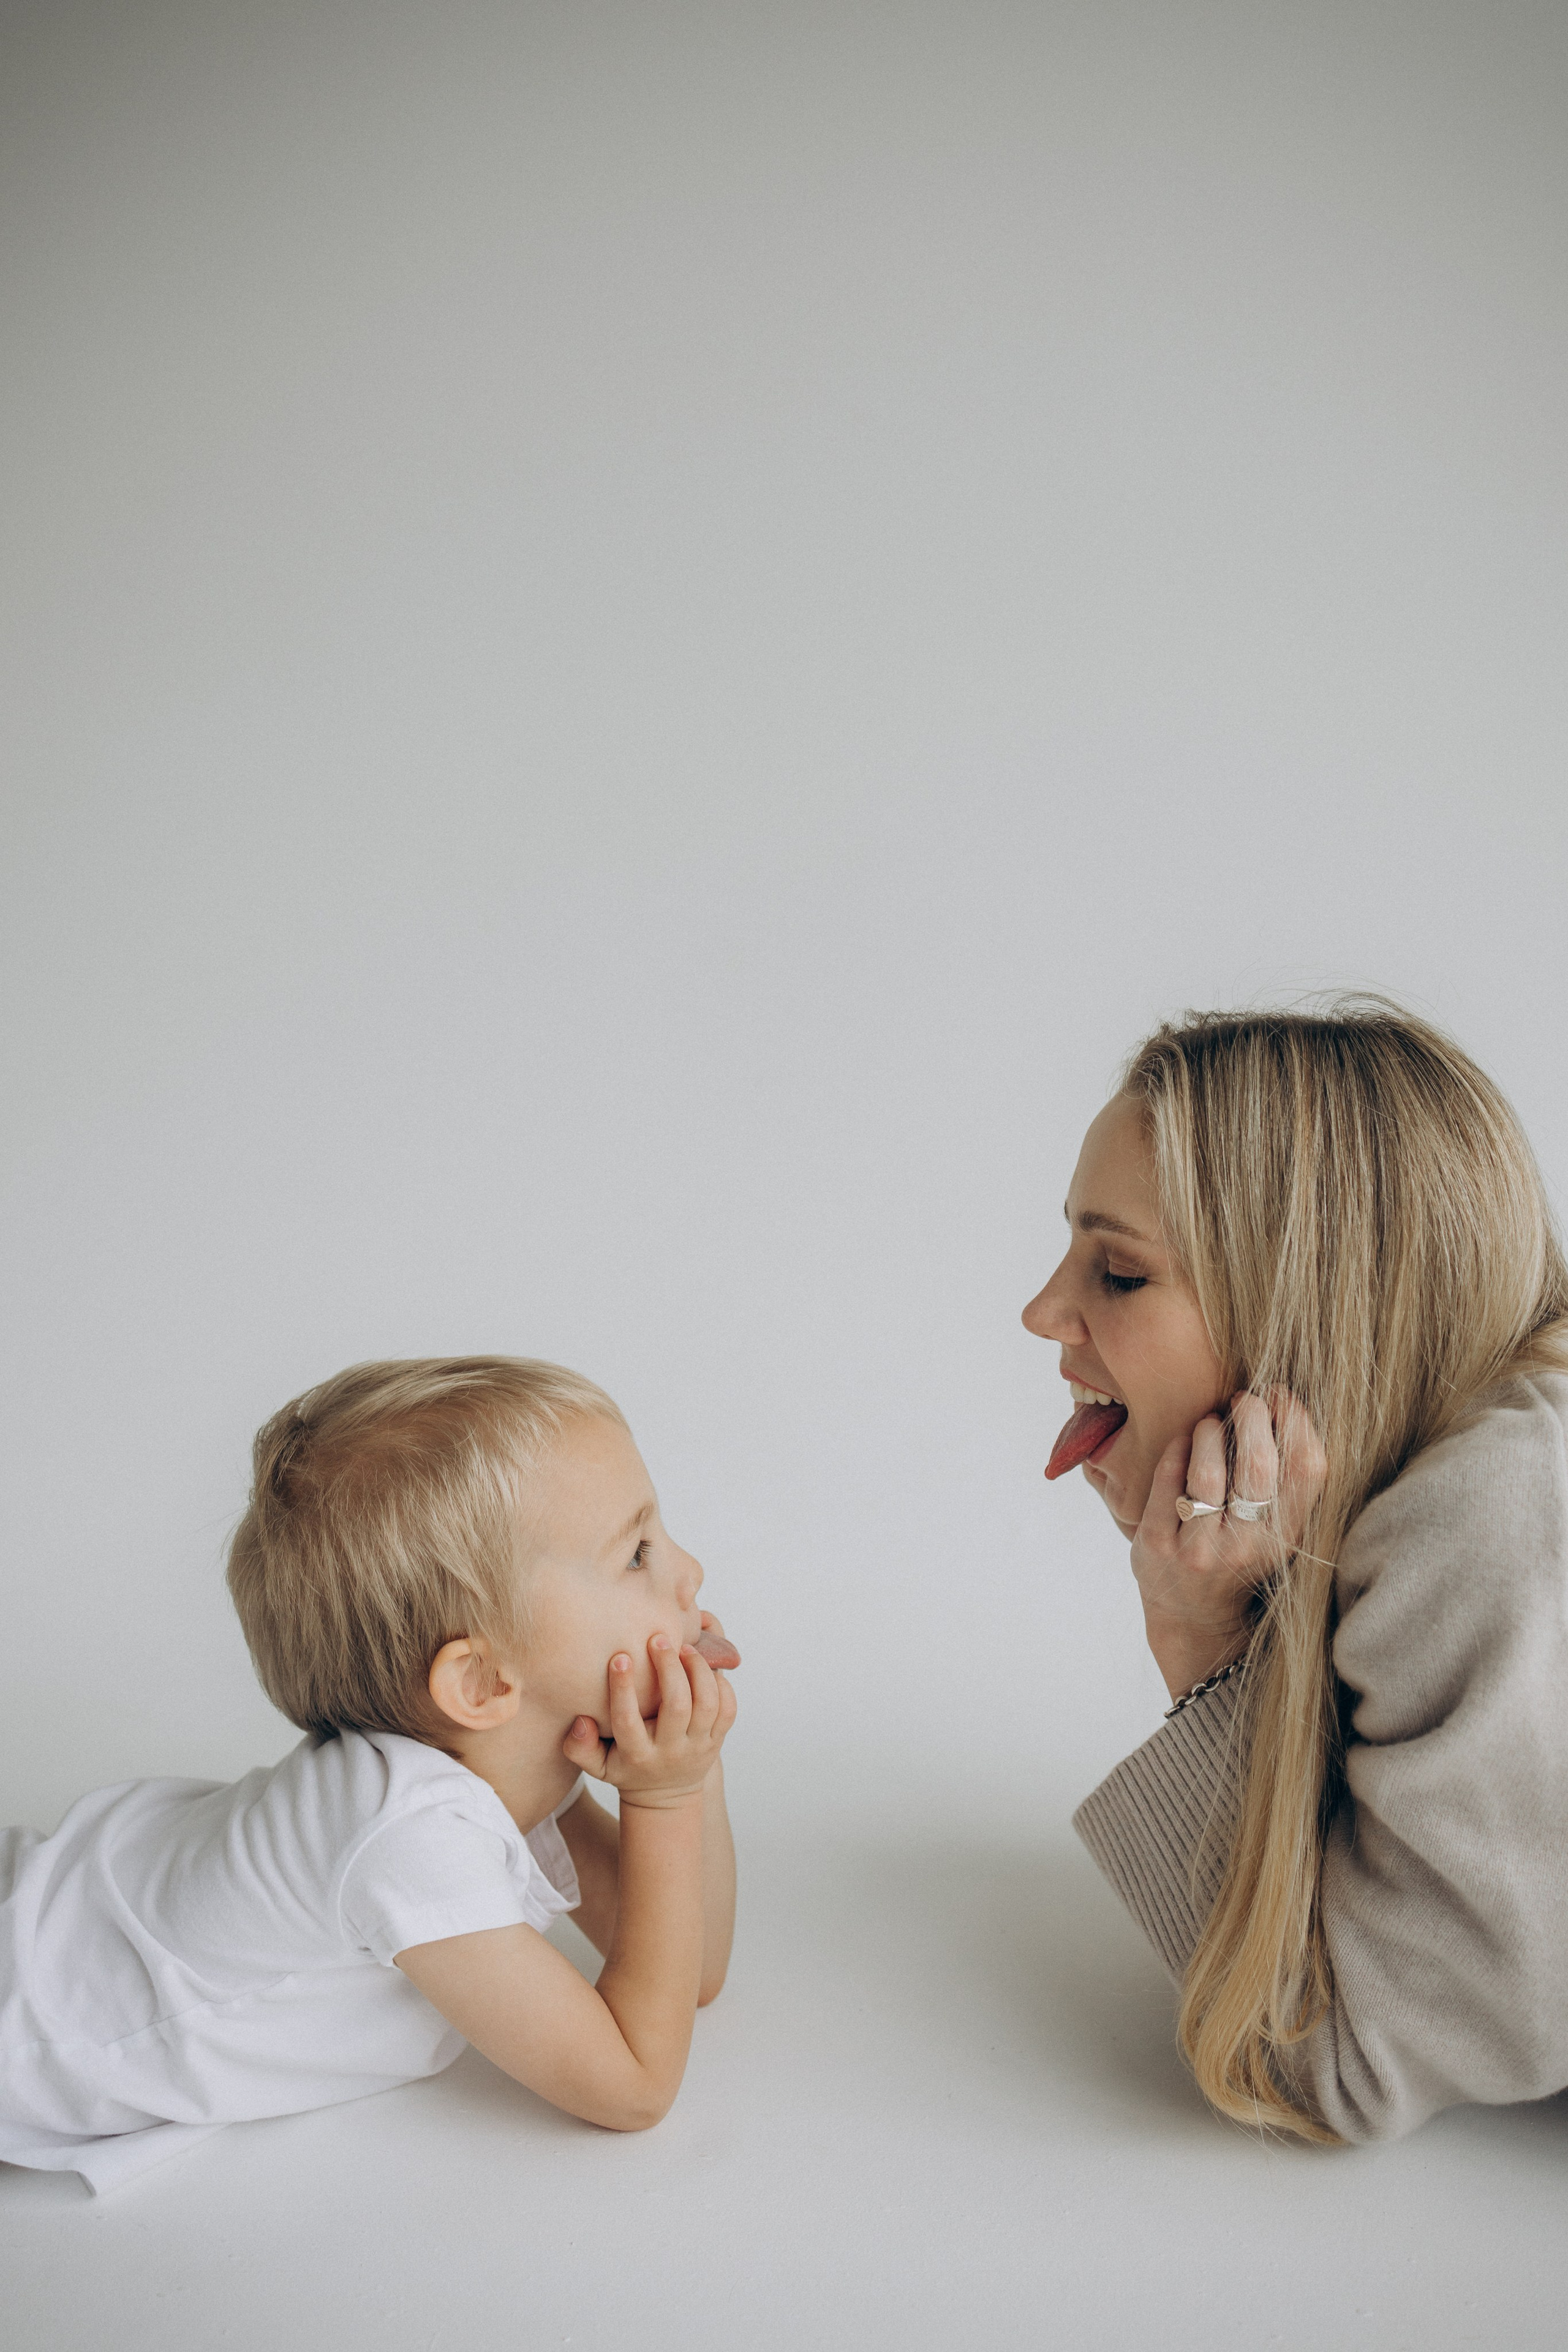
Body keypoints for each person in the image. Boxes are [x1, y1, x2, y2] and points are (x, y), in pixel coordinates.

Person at [1023, 1003, 1568, 2143]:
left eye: (1119, 1272)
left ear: (1309, 1312)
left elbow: (1324, 2063)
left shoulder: (1492, 1520)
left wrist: (1199, 1632)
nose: (1043, 1313)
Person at [0, 1358, 738, 2192]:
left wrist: (686, 1769)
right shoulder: (409, 1835)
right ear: (484, 1683)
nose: (690, 1571)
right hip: (29, 2018)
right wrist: (665, 1797)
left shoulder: (507, 1765)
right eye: (637, 1553)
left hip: (83, 1893)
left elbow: (693, 1970)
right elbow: (635, 2084)